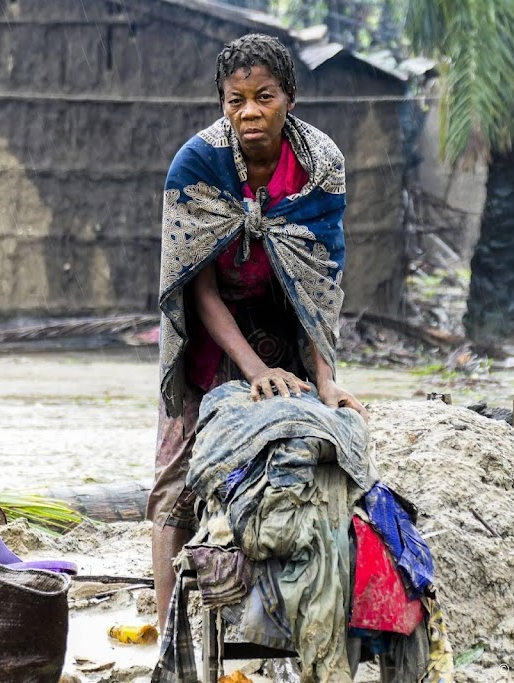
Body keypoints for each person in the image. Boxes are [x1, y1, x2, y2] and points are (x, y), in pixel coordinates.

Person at [147, 33, 367, 626]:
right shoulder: (198, 163)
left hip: (283, 320)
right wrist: (252, 370)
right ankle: (171, 633)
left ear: (289, 97)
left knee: (290, 466)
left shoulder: (320, 164)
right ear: (221, 103)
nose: (249, 112)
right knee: (178, 478)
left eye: (263, 97)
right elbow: (197, 284)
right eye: (234, 100)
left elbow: (322, 276)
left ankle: (277, 620)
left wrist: (324, 379)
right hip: (208, 333)